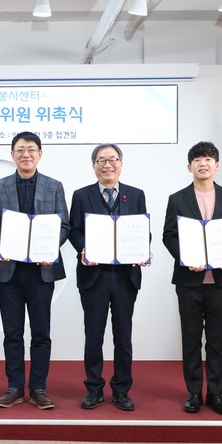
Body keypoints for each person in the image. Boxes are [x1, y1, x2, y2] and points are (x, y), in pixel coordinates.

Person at [0, 132, 69, 410]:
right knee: (12, 332)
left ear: (40, 154)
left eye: (31, 149)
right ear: (12, 155)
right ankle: (15, 387)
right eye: (20, 150)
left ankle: (39, 388)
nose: (26, 154)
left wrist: (50, 248)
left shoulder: (54, 186)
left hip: (41, 272)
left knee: (41, 332)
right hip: (8, 269)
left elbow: (64, 225)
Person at [162, 142, 222, 415]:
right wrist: (186, 257)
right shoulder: (177, 199)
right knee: (191, 339)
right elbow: (169, 236)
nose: (203, 164)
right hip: (189, 281)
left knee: (217, 340)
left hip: (221, 281)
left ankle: (216, 394)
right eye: (197, 160)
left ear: (216, 165)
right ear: (189, 167)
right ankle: (194, 392)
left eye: (208, 159)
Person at [68, 143, 149, 411]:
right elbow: (74, 230)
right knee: (93, 336)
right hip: (94, 276)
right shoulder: (82, 195)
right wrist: (84, 249)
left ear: (121, 164)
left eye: (112, 159)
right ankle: (94, 388)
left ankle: (121, 389)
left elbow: (142, 230)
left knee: (123, 337)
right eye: (101, 160)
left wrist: (142, 249)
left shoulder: (136, 195)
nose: (107, 165)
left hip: (126, 277)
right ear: (94, 166)